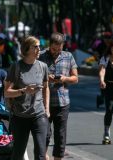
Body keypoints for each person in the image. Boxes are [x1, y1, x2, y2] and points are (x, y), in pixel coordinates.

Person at [4, 36, 50, 160]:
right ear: (27, 49)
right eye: (36, 47)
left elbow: (46, 88)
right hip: (20, 116)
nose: (39, 49)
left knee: (41, 153)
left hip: (38, 114)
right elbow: (7, 92)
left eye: (40, 46)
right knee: (18, 154)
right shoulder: (16, 67)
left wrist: (47, 109)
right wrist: (24, 91)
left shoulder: (43, 67)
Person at [39, 32, 78, 160]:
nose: (56, 51)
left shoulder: (68, 56)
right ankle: (43, 155)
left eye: (59, 48)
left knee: (60, 135)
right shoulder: (41, 56)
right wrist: (46, 79)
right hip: (44, 102)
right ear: (49, 45)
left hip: (62, 102)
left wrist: (64, 78)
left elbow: (75, 78)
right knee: (44, 133)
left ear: (63, 46)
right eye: (54, 49)